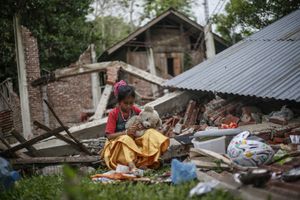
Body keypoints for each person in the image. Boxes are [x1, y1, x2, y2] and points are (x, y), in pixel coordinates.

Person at [101, 80, 169, 171]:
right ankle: (132, 165)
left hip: (134, 142)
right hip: (117, 147)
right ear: (119, 102)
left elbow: (144, 120)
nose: (129, 106)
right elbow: (109, 136)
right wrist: (126, 133)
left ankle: (151, 160)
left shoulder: (134, 110)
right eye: (125, 103)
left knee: (151, 132)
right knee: (125, 138)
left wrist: (142, 127)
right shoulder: (113, 114)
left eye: (131, 103)